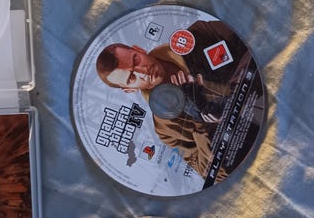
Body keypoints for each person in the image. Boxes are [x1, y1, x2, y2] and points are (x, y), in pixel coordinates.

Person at [95, 19, 264, 181]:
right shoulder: (166, 129)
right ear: (129, 89)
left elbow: (256, 32)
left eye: (135, 60)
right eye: (132, 77)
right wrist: (203, 125)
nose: (143, 71)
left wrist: (235, 90)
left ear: (139, 49)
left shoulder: (198, 35)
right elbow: (214, 175)